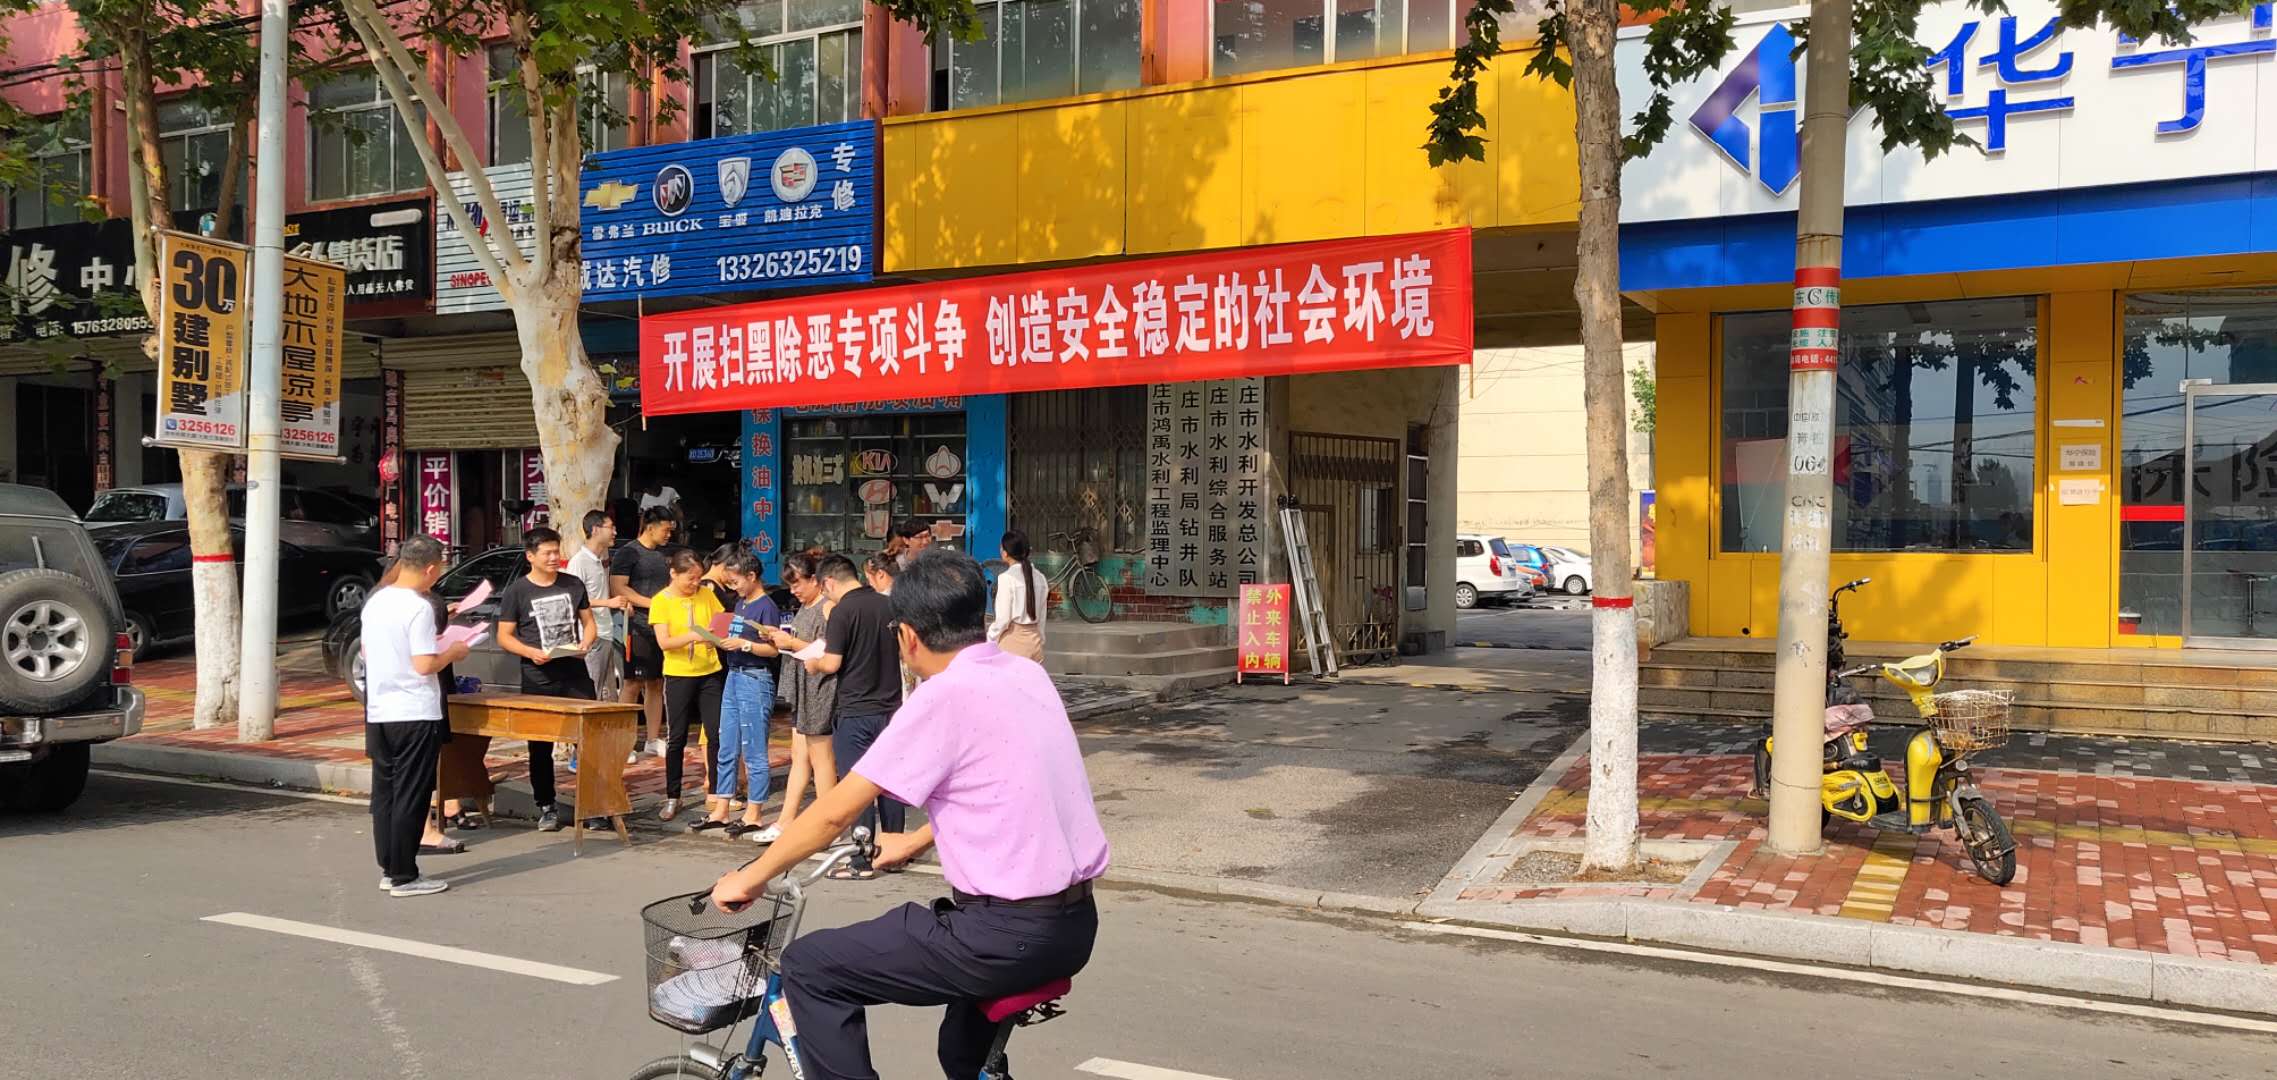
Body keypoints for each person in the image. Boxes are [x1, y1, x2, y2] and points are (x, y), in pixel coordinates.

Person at [711, 549, 1109, 1080]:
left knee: (810, 968)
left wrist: (750, 877)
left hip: (1001, 934)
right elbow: (1014, 789)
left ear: (907, 636)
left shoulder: (940, 697)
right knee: (962, 1055)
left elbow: (833, 814)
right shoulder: (1025, 674)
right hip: (1073, 925)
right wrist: (918, 839)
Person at [772, 554, 901, 879]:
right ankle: (895, 852)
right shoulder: (888, 604)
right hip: (890, 707)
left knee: (858, 786)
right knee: (890, 782)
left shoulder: (844, 611)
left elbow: (831, 663)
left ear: (829, 581)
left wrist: (813, 664)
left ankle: (861, 861)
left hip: (856, 709)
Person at [362, 535, 474, 898]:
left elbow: (368, 653)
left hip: (380, 710)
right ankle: (404, 875)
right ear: (429, 568)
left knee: (386, 791)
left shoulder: (376, 601)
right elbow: (425, 664)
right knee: (412, 792)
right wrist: (453, 651)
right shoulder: (419, 607)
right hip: (414, 710)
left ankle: (389, 867)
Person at [492, 526, 597, 833]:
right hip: (538, 674)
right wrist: (530, 652)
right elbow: (504, 636)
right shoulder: (518, 591)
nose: (554, 557)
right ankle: (546, 806)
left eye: (556, 551)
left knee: (589, 738)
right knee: (540, 743)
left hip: (574, 670)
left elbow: (588, 623)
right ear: (530, 556)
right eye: (547, 553)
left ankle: (592, 805)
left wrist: (586, 642)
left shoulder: (572, 584)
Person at [698, 551, 783, 840]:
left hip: (754, 677)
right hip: (734, 675)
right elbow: (732, 635)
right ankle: (721, 808)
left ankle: (754, 813)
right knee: (726, 744)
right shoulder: (740, 603)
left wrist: (745, 645)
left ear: (752, 576)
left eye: (736, 582)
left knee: (754, 748)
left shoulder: (766, 606)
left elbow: (773, 650)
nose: (733, 587)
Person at [650, 548, 726, 823]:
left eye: (698, 578)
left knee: (716, 732)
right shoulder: (661, 601)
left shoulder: (706, 594)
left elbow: (720, 623)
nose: (695, 583)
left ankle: (716, 790)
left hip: (710, 671)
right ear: (674, 573)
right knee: (677, 737)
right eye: (690, 578)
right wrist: (693, 636)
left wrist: (715, 638)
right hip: (679, 673)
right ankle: (673, 794)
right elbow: (664, 642)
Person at [770, 552, 838, 841]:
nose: (794, 590)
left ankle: (828, 822)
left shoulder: (827, 607)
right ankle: (786, 819)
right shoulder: (806, 605)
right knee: (799, 755)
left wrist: (791, 642)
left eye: (798, 583)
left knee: (822, 758)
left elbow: (829, 650)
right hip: (803, 685)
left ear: (815, 580)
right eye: (790, 585)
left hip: (819, 686)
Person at [611, 507, 677, 761]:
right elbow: (618, 587)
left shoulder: (665, 554)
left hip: (661, 627)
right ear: (650, 527)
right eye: (666, 529)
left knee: (656, 683)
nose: (669, 534)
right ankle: (623, 742)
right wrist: (653, 605)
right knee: (632, 683)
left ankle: (652, 739)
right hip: (636, 625)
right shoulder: (628, 552)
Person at [566, 509, 629, 699]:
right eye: (611, 527)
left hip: (607, 631)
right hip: (592, 635)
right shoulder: (579, 562)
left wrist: (618, 603)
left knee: (608, 693)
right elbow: (573, 600)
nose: (615, 532)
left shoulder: (600, 560)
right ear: (595, 530)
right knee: (592, 691)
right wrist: (608, 602)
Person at [989, 529, 1047, 662]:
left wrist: (990, 637)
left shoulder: (1006, 578)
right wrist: (1040, 640)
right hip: (1035, 644)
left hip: (1013, 645)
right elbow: (1042, 617)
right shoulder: (1041, 577)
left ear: (1005, 553)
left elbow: (1003, 620)